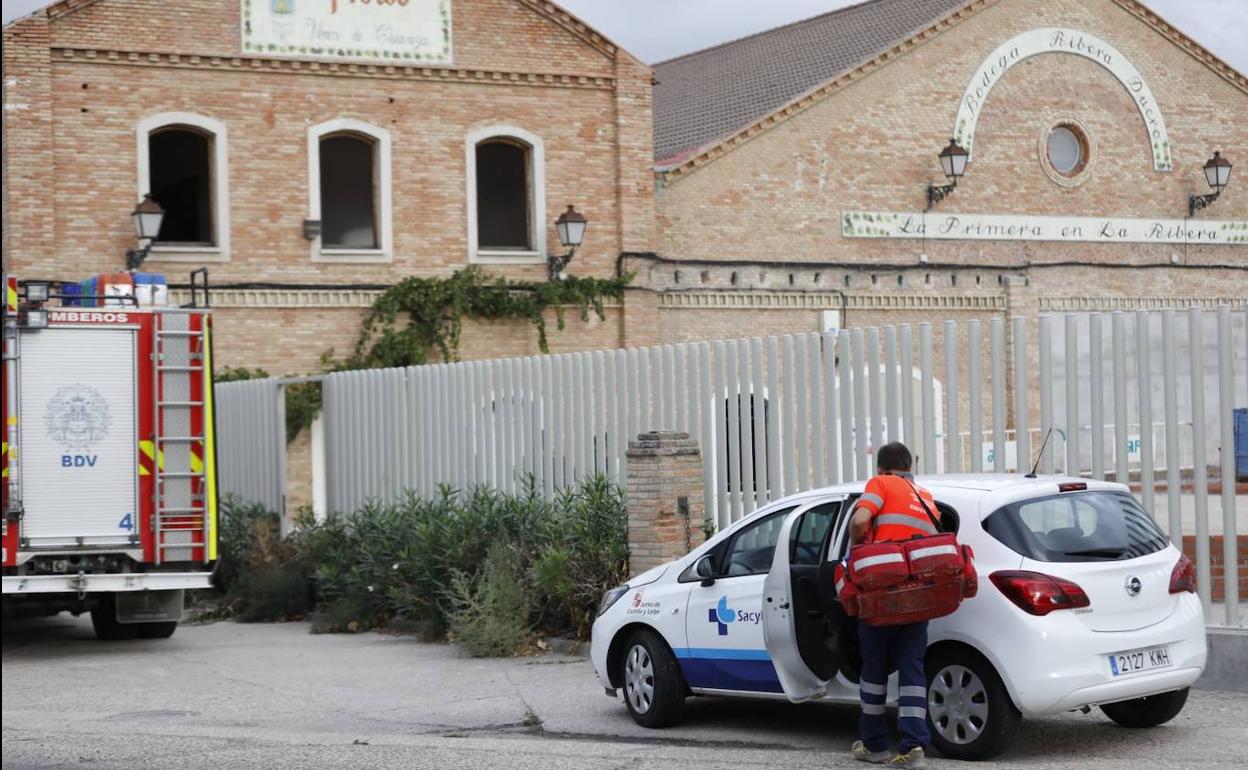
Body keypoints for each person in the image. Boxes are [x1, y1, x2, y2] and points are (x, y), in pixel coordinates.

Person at [849, 442, 939, 768]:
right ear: (909, 465)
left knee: (874, 670)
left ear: (882, 468)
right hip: (917, 597)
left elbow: (860, 521)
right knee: (912, 669)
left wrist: (853, 549)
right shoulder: (925, 497)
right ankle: (914, 747)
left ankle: (874, 746)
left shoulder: (880, 484)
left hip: (882, 594)